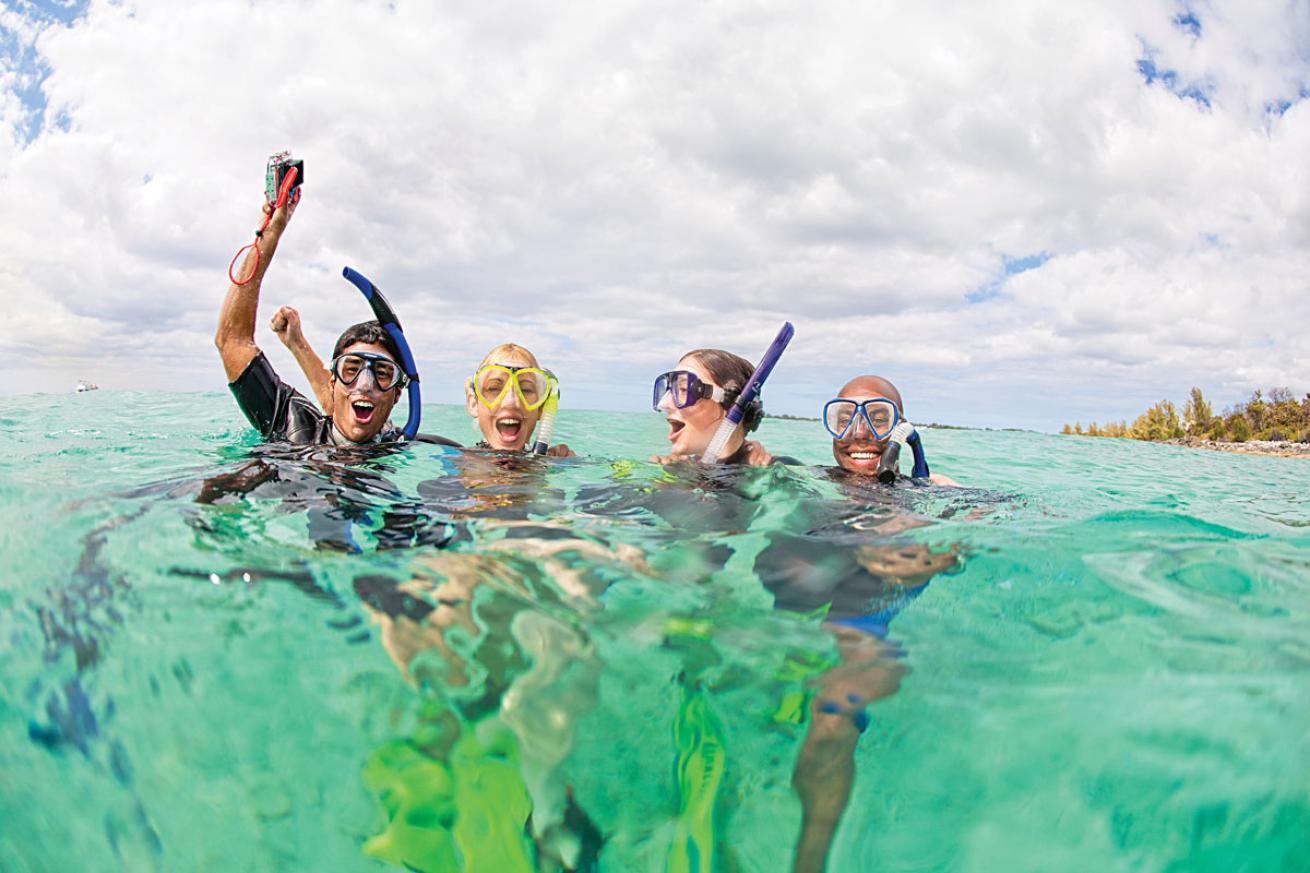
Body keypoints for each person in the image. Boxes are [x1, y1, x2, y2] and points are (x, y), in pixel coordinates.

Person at [215, 195, 457, 448]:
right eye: (351, 369)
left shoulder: (394, 443)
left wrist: (297, 344)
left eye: (383, 374)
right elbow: (232, 340)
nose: (365, 385)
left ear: (397, 393)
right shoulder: (293, 425)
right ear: (333, 381)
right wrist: (271, 232)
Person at [651, 349, 779, 465]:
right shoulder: (675, 469)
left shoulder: (772, 474)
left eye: (684, 390)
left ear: (731, 405)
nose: (665, 404)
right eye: (670, 391)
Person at [824, 375, 958, 485]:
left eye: (879, 420)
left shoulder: (927, 489)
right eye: (845, 421)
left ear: (901, 429)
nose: (860, 433)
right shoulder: (812, 480)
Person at [465, 344, 573, 456]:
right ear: (473, 404)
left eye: (525, 389)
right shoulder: (456, 460)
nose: (511, 402)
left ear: (541, 408)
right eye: (494, 388)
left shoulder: (552, 461)